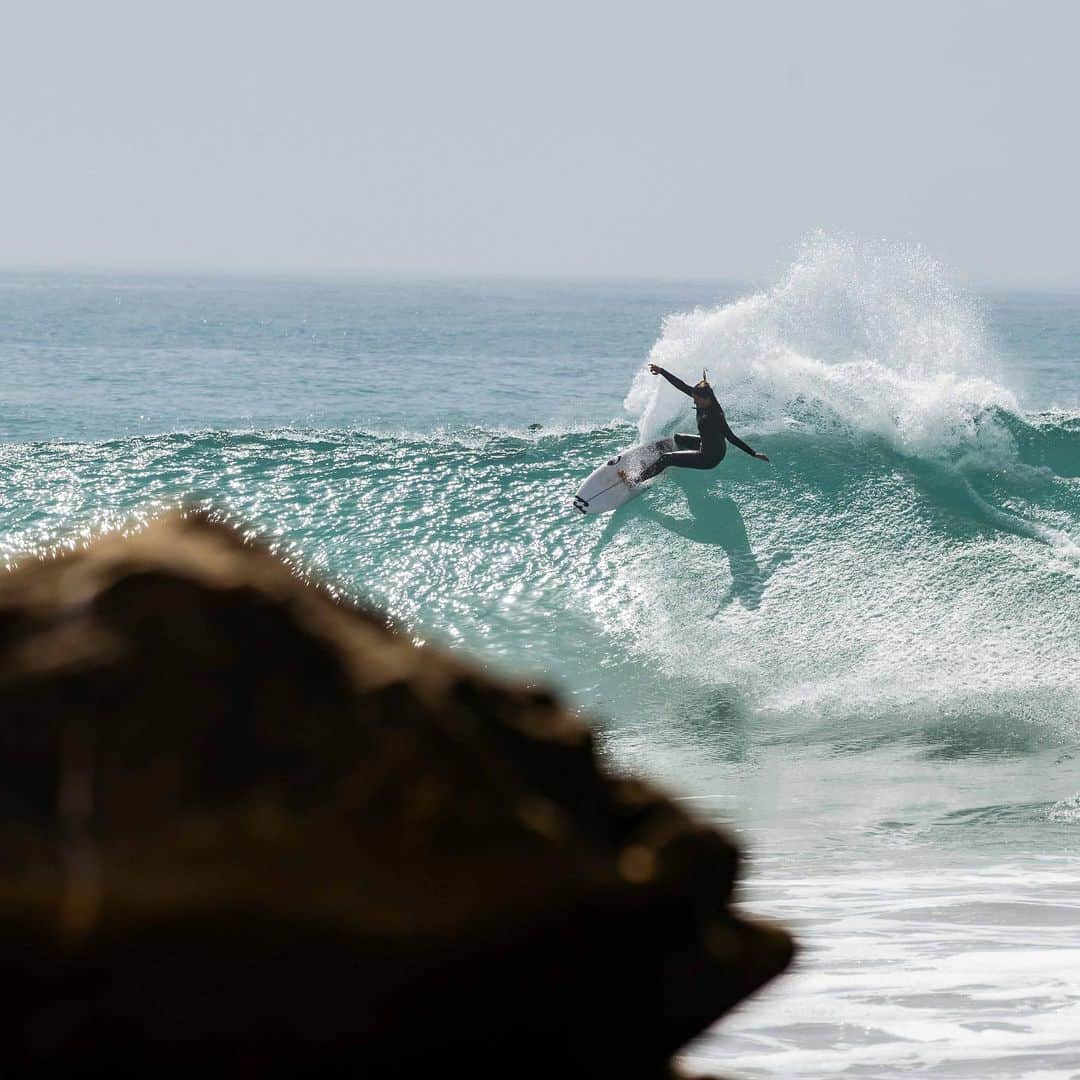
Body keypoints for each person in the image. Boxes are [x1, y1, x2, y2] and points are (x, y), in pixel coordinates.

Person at [624, 366, 769, 484]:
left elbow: (731, 437)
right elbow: (681, 385)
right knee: (678, 438)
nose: (694, 402)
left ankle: (635, 480)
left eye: (697, 400)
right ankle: (676, 461)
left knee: (666, 458)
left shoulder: (716, 415)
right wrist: (662, 371)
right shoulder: (703, 399)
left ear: (707, 399)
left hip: (709, 457)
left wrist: (753, 453)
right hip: (704, 443)